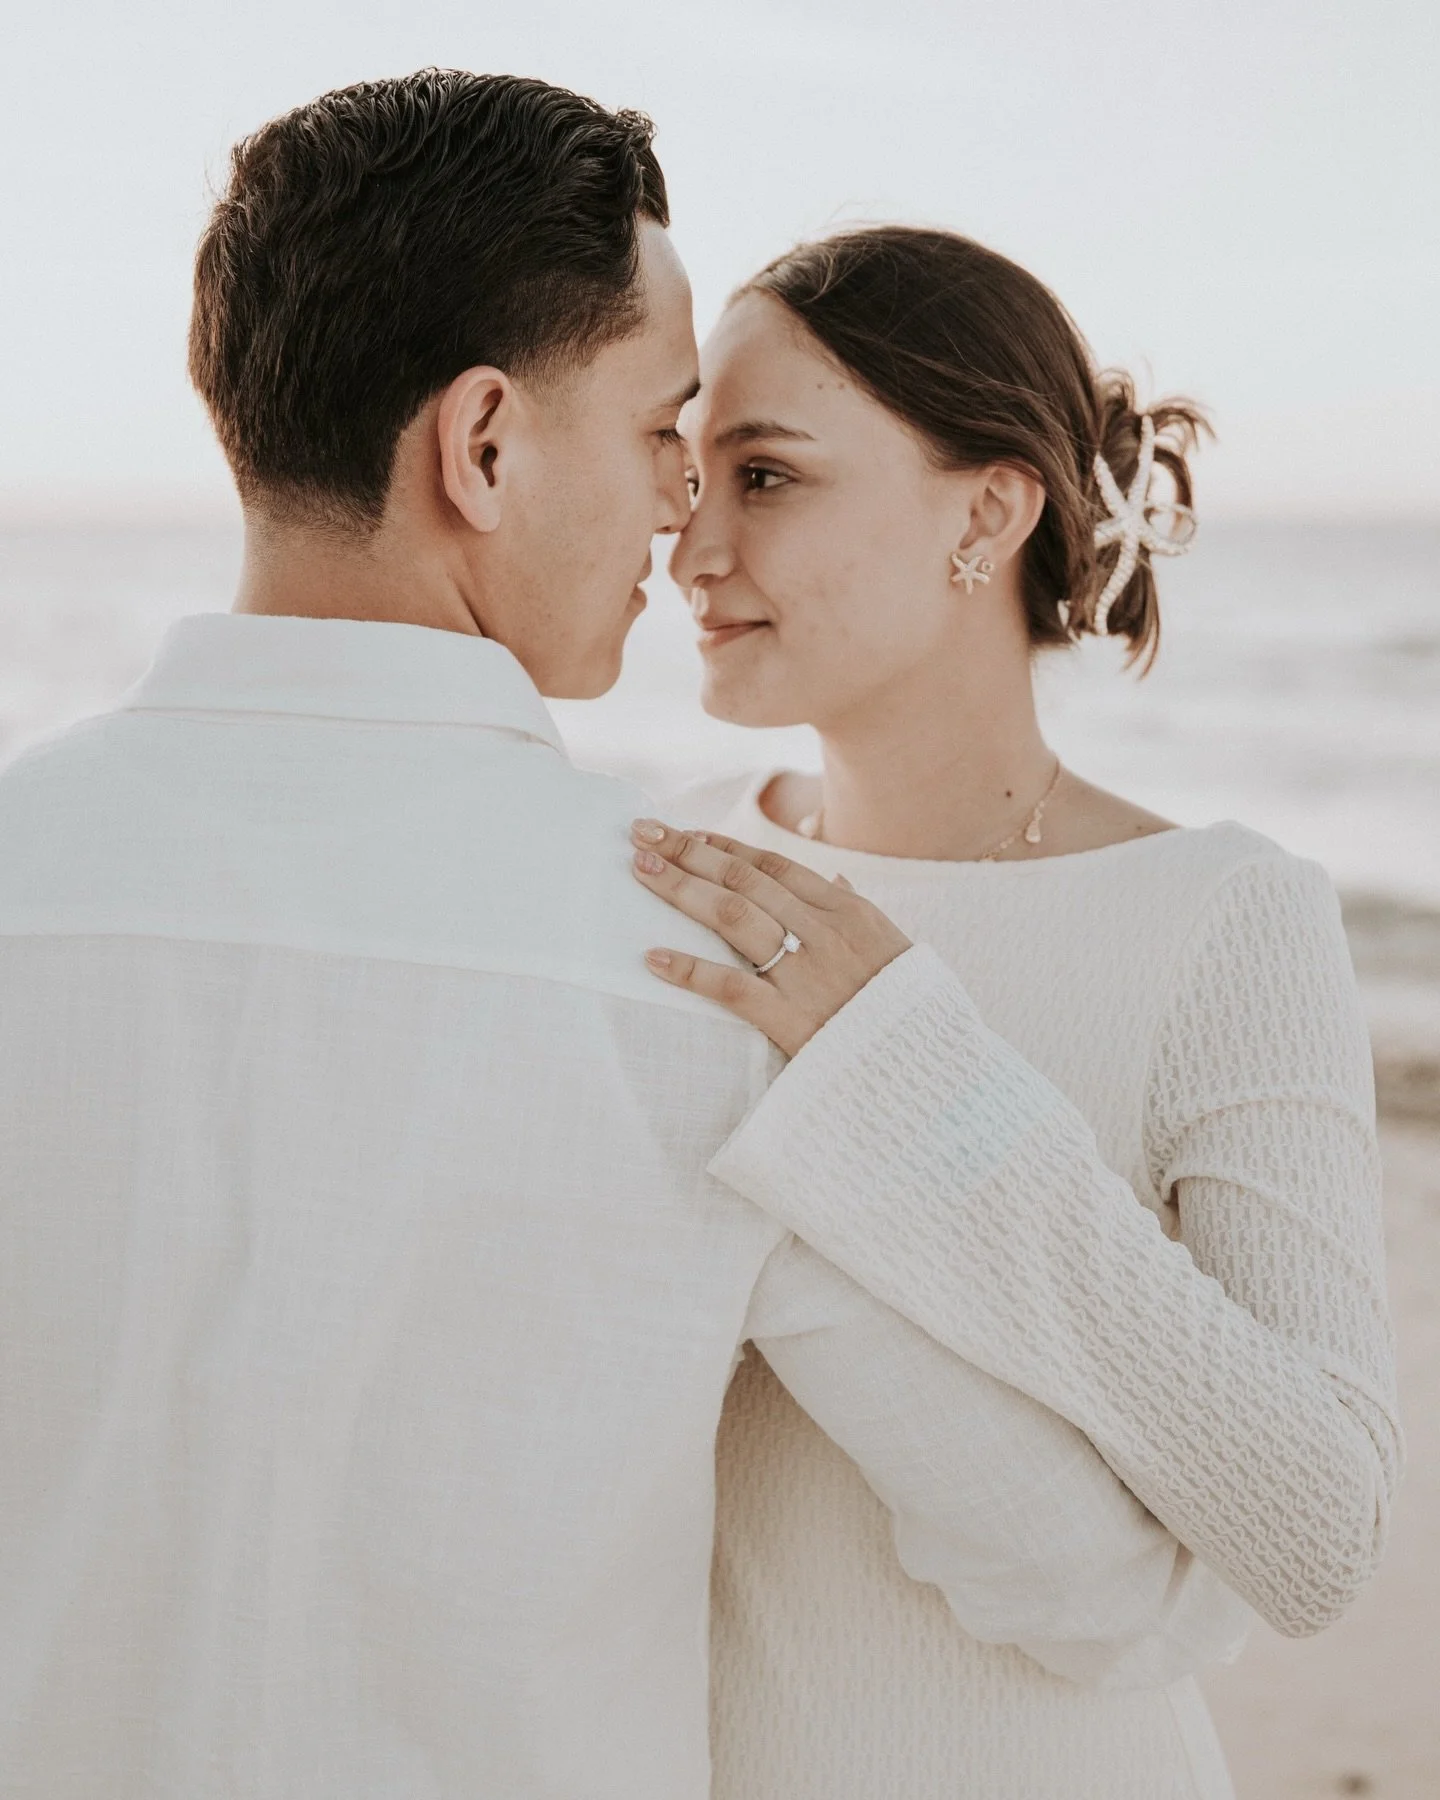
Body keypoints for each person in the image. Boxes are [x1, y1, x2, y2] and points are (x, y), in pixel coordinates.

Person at [0, 81, 1249, 1800]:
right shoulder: (713, 967)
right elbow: (1099, 1594)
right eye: (665, 429)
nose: (683, 510)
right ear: (486, 444)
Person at [631, 225, 1402, 1800]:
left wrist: (915, 1086)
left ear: (989, 509)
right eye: (689, 472)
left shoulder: (1224, 921)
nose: (692, 548)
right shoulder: (679, 869)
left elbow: (1319, 1530)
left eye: (766, 476)